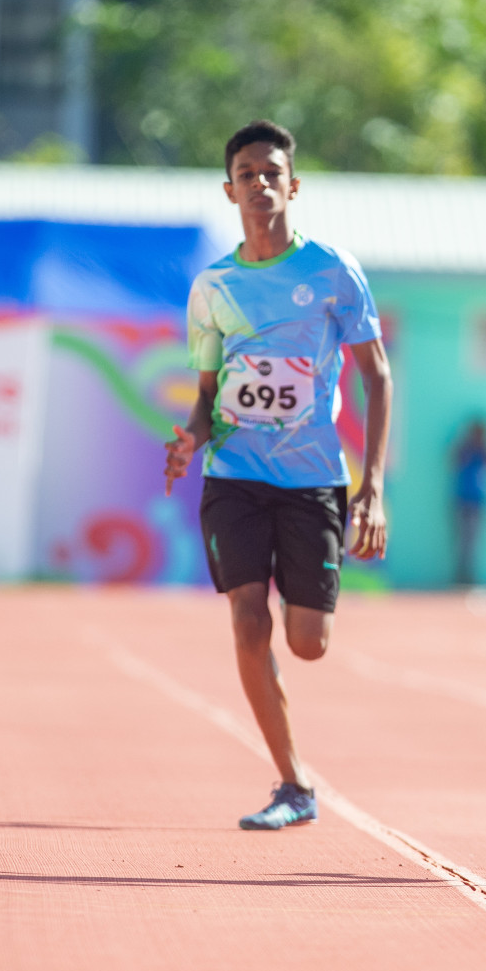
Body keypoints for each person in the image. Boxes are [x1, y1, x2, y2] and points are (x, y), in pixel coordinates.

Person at [164, 119, 393, 830]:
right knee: (245, 618)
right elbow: (206, 396)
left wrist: (373, 486)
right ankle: (294, 784)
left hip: (313, 479)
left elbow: (377, 377)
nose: (259, 183)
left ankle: (295, 768)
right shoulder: (213, 286)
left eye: (272, 172)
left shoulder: (331, 271)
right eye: (246, 173)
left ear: (293, 184)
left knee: (307, 643)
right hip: (233, 474)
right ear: (228, 189)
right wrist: (190, 441)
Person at [451, 419, 486, 586]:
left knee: (473, 540)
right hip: (463, 500)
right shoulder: (465, 449)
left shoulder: (485, 451)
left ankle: (468, 576)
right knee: (462, 540)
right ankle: (461, 576)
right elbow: (455, 461)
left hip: (478, 502)